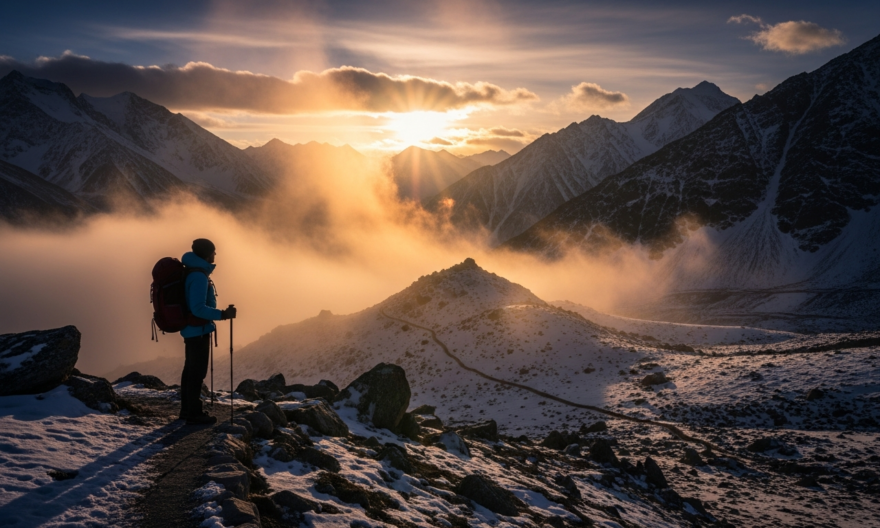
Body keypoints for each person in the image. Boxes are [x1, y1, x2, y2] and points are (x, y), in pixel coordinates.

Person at [179, 238, 236, 425]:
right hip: (198, 330)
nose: (215, 254)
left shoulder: (193, 272)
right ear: (206, 254)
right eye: (213, 251)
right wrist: (223, 314)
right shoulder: (199, 276)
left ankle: (187, 410)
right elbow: (198, 308)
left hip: (192, 329)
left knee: (190, 371)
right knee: (196, 373)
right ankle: (194, 414)